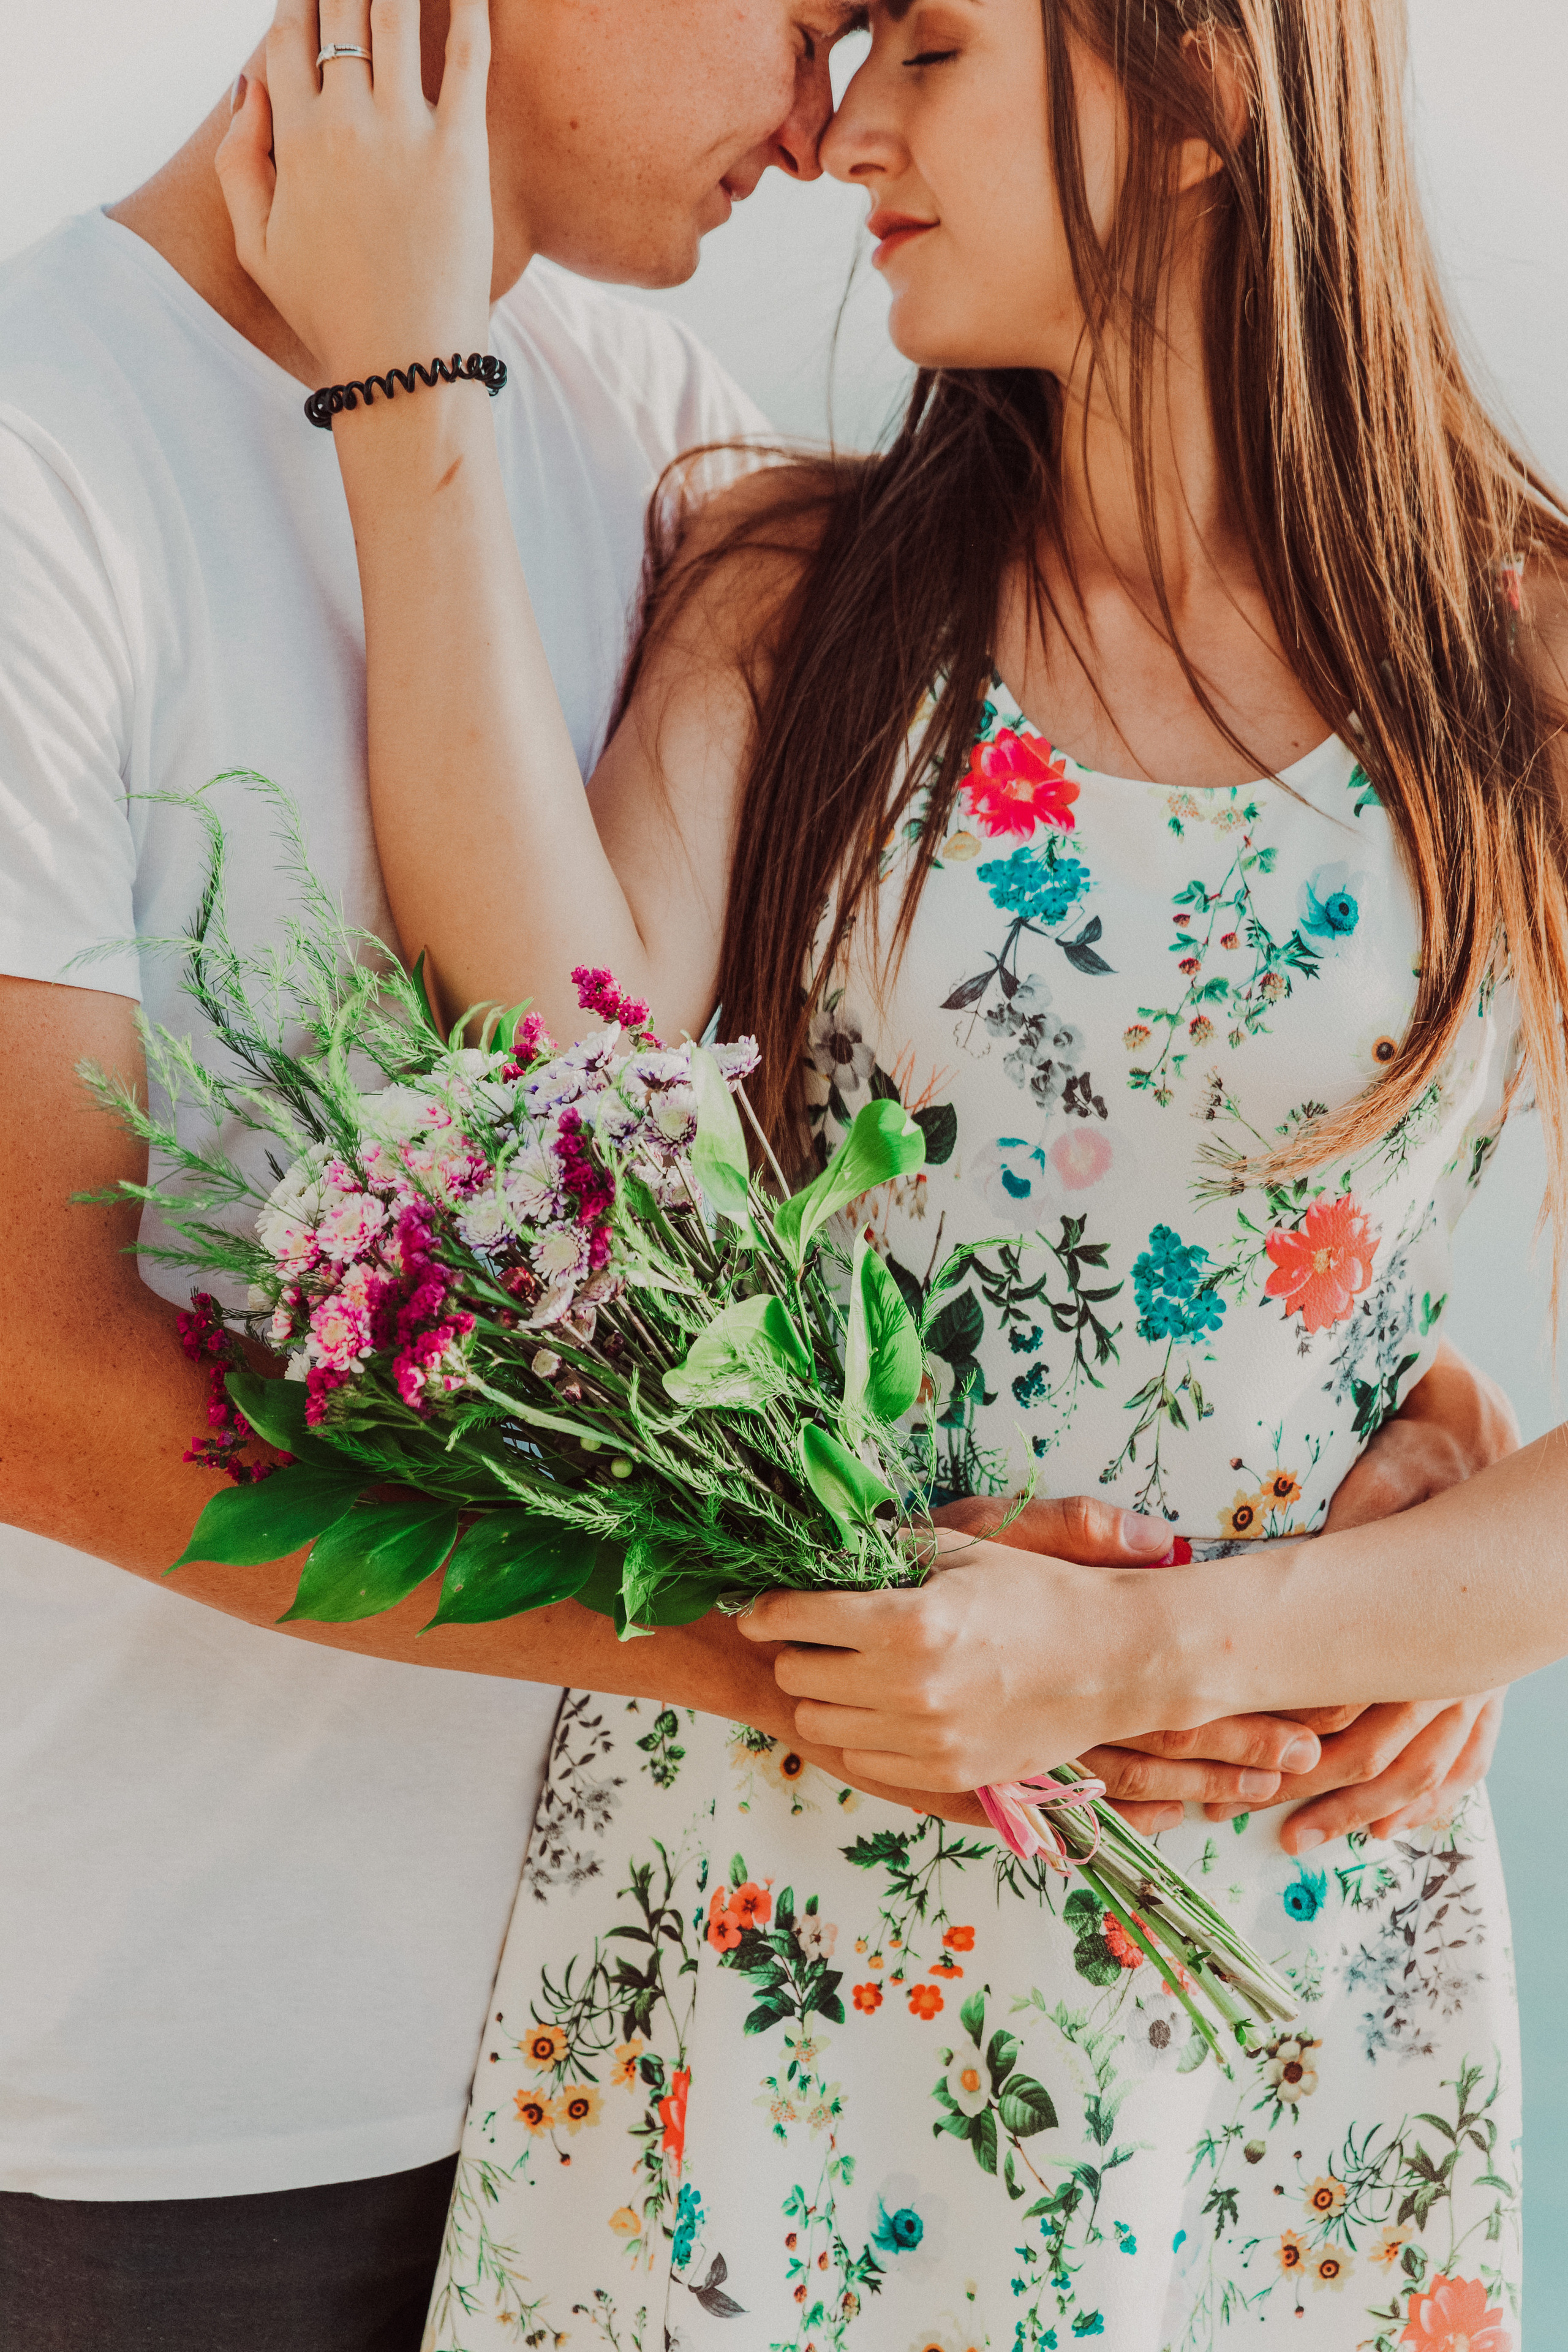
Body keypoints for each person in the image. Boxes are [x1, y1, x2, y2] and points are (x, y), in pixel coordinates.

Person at [0, 4, 1489, 2345]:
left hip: (994, 1992)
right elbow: (498, 1139)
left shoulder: (633, 412)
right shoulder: (82, 456)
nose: (833, 129)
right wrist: (869, 1662)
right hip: (311, 2070)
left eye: (914, 41)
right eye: (819, 28)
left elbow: (1046, 1093)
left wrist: (1365, 1438)